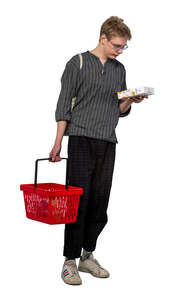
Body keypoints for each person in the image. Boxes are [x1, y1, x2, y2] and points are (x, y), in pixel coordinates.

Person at [49, 16, 148, 285]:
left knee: (100, 201)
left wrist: (129, 100)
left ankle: (88, 255)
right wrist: (58, 142)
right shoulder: (77, 63)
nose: (120, 50)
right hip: (81, 138)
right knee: (77, 201)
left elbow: (119, 111)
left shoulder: (119, 69)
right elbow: (63, 106)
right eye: (117, 45)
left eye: (124, 47)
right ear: (103, 38)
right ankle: (69, 261)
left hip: (108, 140)